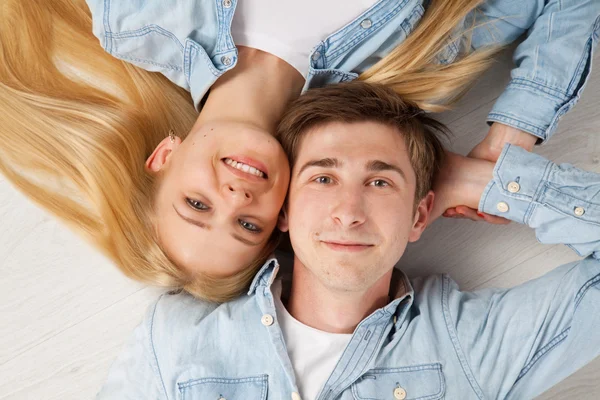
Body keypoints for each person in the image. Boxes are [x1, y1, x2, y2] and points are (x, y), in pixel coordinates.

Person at [1, 0, 598, 302]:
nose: (234, 196)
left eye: (197, 205)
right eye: (248, 223)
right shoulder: (415, 69)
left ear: (164, 156)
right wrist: (510, 136)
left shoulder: (139, 17)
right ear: (282, 213)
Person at [97, 82, 600, 399]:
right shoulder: (179, 335)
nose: (349, 213)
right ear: (285, 210)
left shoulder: (472, 345)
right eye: (322, 178)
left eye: (381, 182)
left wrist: (477, 182)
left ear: (420, 214)